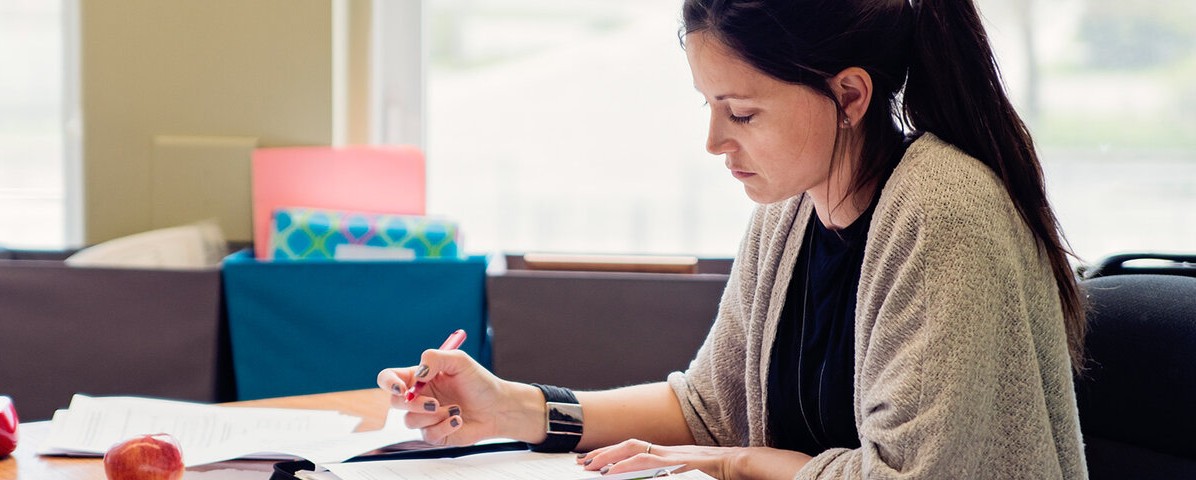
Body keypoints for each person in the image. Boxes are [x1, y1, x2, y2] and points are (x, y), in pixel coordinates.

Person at [377, 0, 1088, 478]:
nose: (714, 141)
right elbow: (709, 409)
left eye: (741, 113)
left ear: (849, 96)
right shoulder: (789, 212)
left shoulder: (944, 212)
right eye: (709, 106)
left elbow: (897, 476)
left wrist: (737, 461)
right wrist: (514, 407)